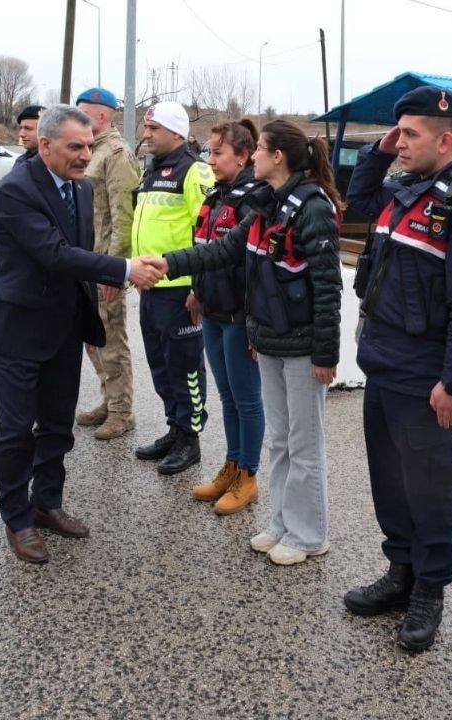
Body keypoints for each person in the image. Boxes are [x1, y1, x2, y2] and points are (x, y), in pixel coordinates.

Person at [0, 104, 164, 563]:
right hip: (19, 326)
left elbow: (78, 253)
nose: (84, 155)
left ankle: (47, 502)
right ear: (46, 145)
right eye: (75, 146)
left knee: (56, 425)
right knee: (15, 430)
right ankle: (17, 518)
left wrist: (99, 291)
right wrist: (125, 268)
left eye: (89, 145)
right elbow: (54, 254)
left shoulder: (81, 188)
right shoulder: (16, 189)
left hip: (63, 325)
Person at [141, 119, 344, 565]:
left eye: (259, 151)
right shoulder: (267, 204)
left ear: (277, 157)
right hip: (269, 337)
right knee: (279, 440)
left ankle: (310, 535)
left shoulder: (313, 207)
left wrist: (327, 354)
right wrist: (168, 262)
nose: (251, 157)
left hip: (303, 342)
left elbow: (328, 288)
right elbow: (224, 251)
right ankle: (283, 523)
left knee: (304, 444)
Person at [342, 86, 452, 652]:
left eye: (410, 134)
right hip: (382, 362)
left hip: (425, 373)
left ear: (446, 140)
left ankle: (429, 590)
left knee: (430, 490)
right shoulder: (404, 187)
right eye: (398, 133)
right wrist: (380, 151)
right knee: (390, 483)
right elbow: (358, 202)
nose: (400, 142)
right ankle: (399, 572)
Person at [185, 119, 266, 515]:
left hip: (239, 316)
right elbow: (202, 245)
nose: (210, 159)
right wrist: (195, 292)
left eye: (218, 152)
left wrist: (254, 323)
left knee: (247, 401)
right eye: (209, 152)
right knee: (227, 397)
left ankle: (247, 476)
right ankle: (231, 466)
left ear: (243, 155)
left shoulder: (254, 198)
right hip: (213, 311)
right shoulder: (218, 194)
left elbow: (254, 266)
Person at [131, 101, 215, 475]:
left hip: (179, 290)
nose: (145, 135)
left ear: (177, 133)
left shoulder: (195, 171)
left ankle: (190, 439)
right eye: (146, 129)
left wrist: (199, 288)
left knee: (186, 368)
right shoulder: (152, 171)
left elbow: (208, 233)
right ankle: (174, 428)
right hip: (151, 287)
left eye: (153, 129)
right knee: (160, 365)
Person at [74, 87, 141, 441]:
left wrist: (115, 272)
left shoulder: (116, 154)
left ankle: (122, 411)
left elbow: (124, 217)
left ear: (101, 116)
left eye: (83, 114)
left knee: (111, 339)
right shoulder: (92, 151)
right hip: (86, 262)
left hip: (104, 264)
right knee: (92, 338)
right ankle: (108, 400)